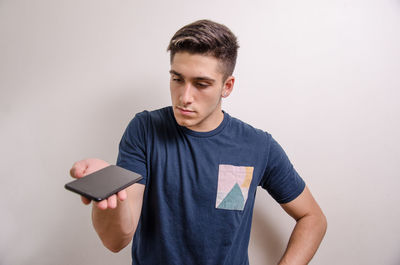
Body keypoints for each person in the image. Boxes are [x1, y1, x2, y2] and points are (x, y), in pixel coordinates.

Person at [70, 19, 327, 265]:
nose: (185, 97)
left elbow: (313, 218)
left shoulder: (258, 145)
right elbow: (117, 240)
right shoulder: (145, 130)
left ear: (227, 86)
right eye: (177, 79)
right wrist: (108, 194)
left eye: (201, 84)